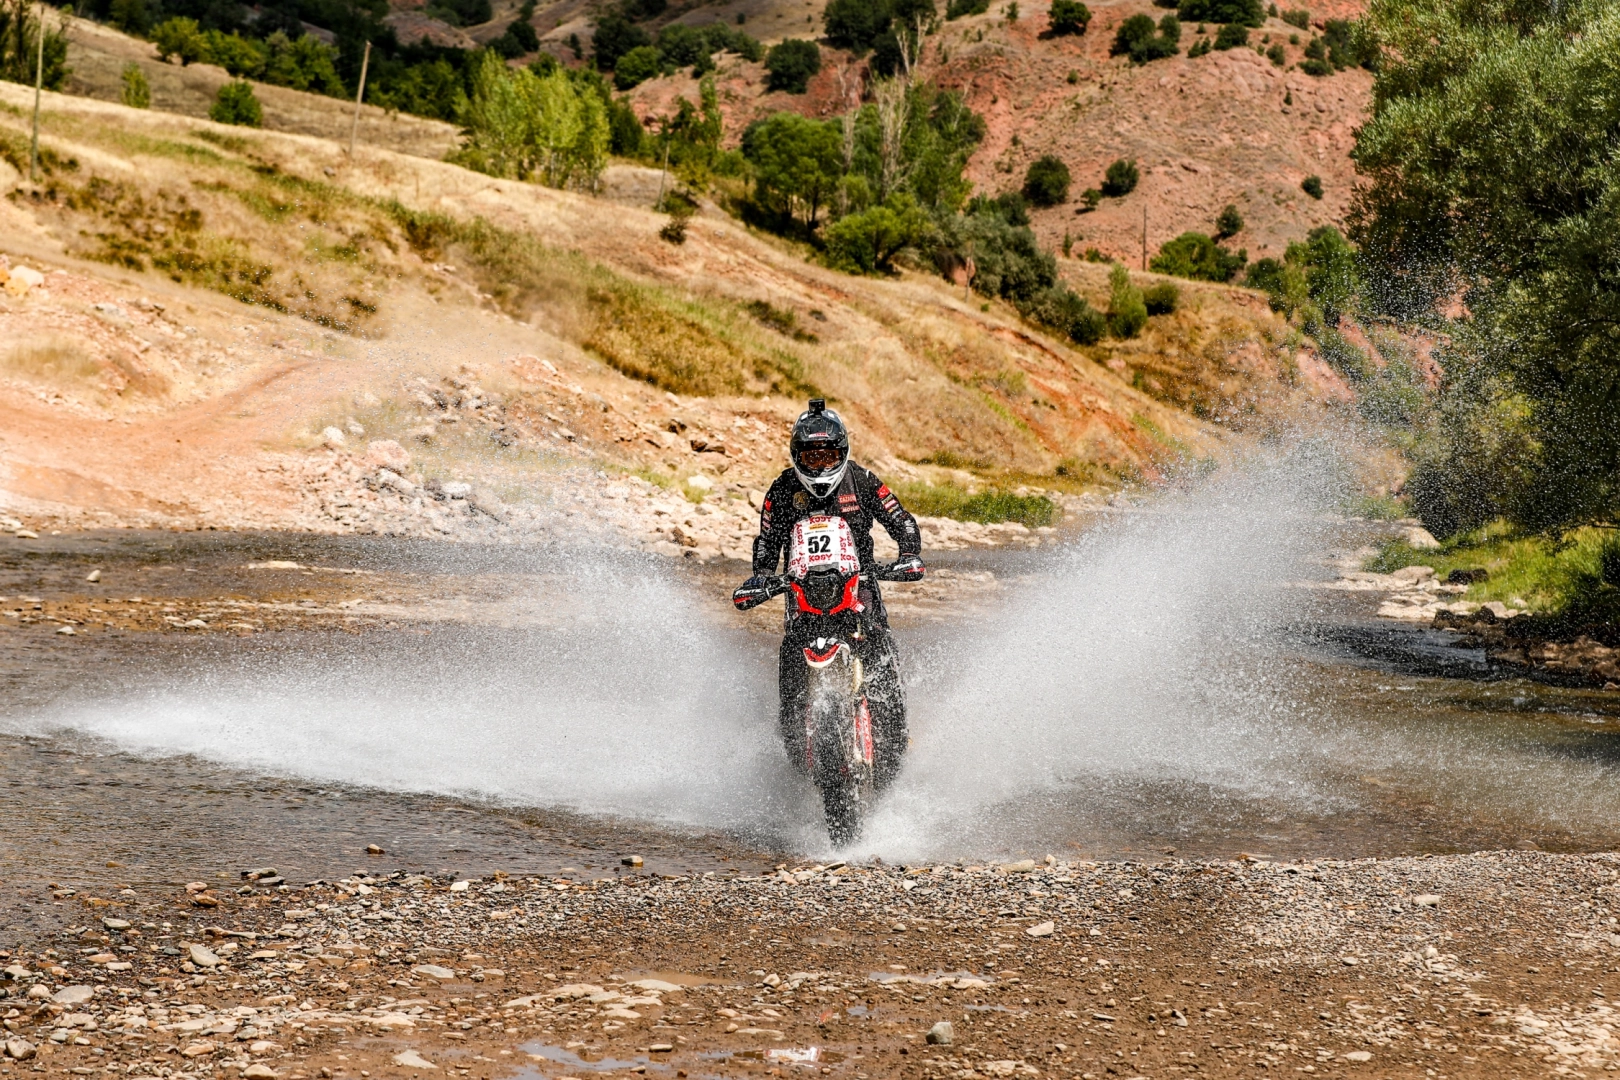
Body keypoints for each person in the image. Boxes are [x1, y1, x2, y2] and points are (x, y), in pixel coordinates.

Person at [736, 399, 924, 786]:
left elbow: (901, 519)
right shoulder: (783, 489)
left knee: (885, 670)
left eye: (828, 456)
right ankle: (795, 758)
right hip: (802, 600)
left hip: (860, 593)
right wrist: (760, 577)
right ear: (797, 455)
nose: (820, 465)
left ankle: (893, 750)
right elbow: (767, 542)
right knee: (790, 682)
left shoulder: (864, 480)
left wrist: (909, 554)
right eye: (812, 457)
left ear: (842, 451)